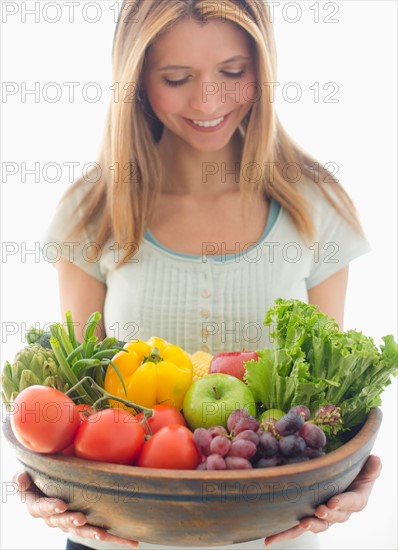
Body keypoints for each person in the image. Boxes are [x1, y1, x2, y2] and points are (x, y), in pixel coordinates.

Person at [14, 1, 382, 549]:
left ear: (262, 68)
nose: (209, 101)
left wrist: (355, 477)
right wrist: (40, 485)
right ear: (137, 81)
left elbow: (327, 401)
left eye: (233, 73)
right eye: (177, 78)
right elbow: (76, 397)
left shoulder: (316, 205)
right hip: (117, 537)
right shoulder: (92, 210)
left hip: (272, 538)